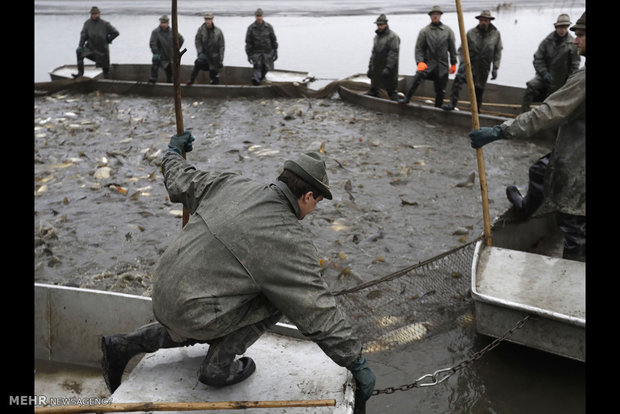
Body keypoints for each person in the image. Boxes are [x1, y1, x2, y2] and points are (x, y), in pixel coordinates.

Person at [100, 132, 376, 403]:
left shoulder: (231, 184)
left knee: (216, 298)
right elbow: (316, 310)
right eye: (316, 202)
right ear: (307, 196)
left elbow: (180, 179)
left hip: (161, 291)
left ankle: (125, 343)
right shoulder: (290, 240)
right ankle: (218, 366)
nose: (314, 209)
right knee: (283, 298)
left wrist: (173, 152)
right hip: (192, 313)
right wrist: (356, 361)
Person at [469, 12, 585, 262]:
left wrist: (500, 130)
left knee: (574, 228)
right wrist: (544, 75)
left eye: (582, 35)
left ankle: (572, 281)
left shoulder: (584, 78)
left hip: (580, 162)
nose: (576, 41)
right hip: (571, 129)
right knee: (541, 171)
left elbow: (547, 112)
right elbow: (539, 60)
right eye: (575, 34)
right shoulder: (551, 45)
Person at [442, 10, 502, 111]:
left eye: (486, 20)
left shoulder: (496, 35)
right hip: (469, 65)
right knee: (457, 82)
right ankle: (452, 104)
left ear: (489, 21)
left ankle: (476, 111)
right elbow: (461, 50)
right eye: (482, 20)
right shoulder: (471, 33)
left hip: (483, 67)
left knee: (479, 89)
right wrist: (462, 62)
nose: (483, 22)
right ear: (479, 21)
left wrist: (495, 68)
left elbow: (498, 52)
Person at [520, 13, 581, 112]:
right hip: (544, 76)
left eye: (565, 27)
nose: (563, 30)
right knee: (531, 86)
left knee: (554, 99)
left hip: (561, 80)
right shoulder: (547, 41)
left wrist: (569, 81)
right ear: (556, 27)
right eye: (560, 27)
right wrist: (543, 72)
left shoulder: (572, 44)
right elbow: (538, 59)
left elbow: (575, 66)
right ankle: (523, 114)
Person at [398, 5, 457, 107]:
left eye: (437, 14)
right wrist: (419, 62)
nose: (435, 16)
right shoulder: (424, 31)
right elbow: (419, 49)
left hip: (442, 65)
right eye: (433, 14)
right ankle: (406, 98)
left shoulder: (448, 31)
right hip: (428, 64)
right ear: (430, 16)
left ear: (440, 16)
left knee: (440, 89)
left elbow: (452, 48)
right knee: (416, 78)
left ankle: (438, 107)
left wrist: (453, 63)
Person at [73, 6, 119, 79]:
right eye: (92, 14)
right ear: (91, 14)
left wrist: (108, 39)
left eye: (95, 14)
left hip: (102, 49)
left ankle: (106, 75)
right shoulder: (87, 23)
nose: (94, 15)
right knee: (79, 52)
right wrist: (80, 46)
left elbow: (116, 33)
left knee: (105, 66)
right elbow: (83, 35)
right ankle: (80, 73)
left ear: (99, 14)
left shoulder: (105, 24)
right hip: (90, 48)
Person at [365, 14, 401, 101]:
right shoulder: (376, 37)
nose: (379, 27)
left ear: (386, 24)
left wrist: (388, 68)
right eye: (378, 25)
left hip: (389, 68)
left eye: (381, 25)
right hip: (377, 67)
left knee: (390, 89)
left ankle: (393, 97)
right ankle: (373, 93)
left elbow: (393, 54)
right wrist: (370, 67)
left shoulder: (393, 37)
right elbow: (373, 54)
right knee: (374, 87)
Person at [185, 12, 225, 86]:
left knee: (214, 76)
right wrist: (200, 52)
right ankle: (191, 80)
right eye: (206, 19)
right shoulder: (201, 30)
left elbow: (221, 46)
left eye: (209, 19)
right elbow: (197, 41)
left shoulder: (218, 31)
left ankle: (214, 85)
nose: (208, 21)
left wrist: (221, 59)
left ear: (212, 19)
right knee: (197, 63)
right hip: (205, 55)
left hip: (215, 57)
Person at [245, 8, 278, 85]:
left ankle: (268, 87)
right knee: (257, 70)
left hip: (268, 53)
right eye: (257, 16)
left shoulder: (269, 27)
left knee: (268, 72)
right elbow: (248, 43)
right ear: (255, 16)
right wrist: (249, 54)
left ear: (263, 16)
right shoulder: (251, 28)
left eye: (260, 16)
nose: (259, 17)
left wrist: (275, 50)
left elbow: (273, 40)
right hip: (256, 53)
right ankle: (256, 85)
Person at [149, 15, 184, 84]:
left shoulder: (173, 31)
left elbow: (181, 39)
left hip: (170, 56)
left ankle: (170, 82)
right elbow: (152, 43)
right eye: (162, 23)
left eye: (165, 23)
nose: (164, 24)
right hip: (160, 55)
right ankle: (153, 78)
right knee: (155, 61)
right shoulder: (155, 32)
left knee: (169, 72)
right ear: (160, 23)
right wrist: (156, 52)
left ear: (168, 23)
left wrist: (176, 50)